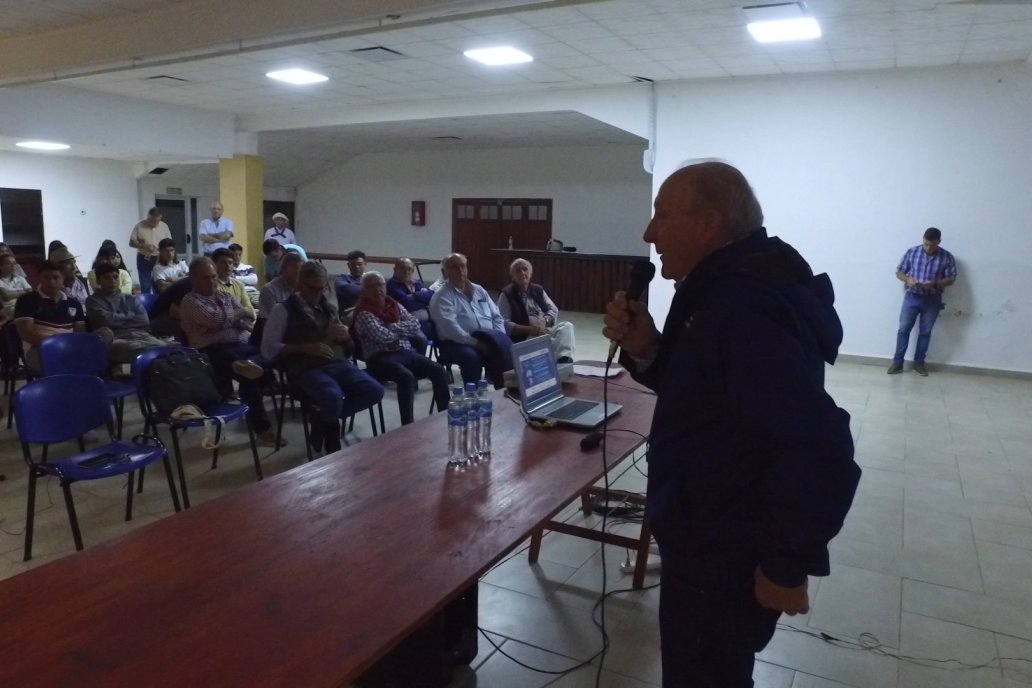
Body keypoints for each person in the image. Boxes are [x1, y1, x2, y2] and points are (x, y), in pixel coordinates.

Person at [602, 161, 860, 687]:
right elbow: (708, 396)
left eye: (661, 215)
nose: (649, 233)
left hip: (721, 553)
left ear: (708, 223)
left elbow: (819, 445)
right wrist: (649, 350)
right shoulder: (721, 290)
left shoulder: (740, 307)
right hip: (709, 534)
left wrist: (786, 565)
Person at [261, 261, 383, 454]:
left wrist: (347, 337)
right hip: (304, 368)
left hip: (336, 362)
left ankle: (322, 418)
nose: (318, 294)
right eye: (313, 288)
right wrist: (305, 348)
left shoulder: (329, 308)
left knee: (374, 390)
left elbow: (349, 350)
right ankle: (332, 441)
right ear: (300, 284)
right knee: (332, 397)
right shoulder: (283, 310)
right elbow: (268, 348)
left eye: (322, 288)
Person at [179, 257, 280, 446]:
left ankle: (252, 368)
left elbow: (249, 314)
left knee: (268, 352)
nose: (211, 282)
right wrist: (234, 319)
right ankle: (262, 427)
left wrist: (232, 319)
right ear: (193, 280)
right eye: (205, 278)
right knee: (246, 374)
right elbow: (215, 320)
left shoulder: (224, 296)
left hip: (240, 345)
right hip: (209, 352)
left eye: (213, 277)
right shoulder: (190, 301)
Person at [354, 271, 449, 425]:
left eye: (381, 284)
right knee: (406, 377)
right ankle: (408, 425)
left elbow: (415, 324)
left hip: (405, 352)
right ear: (364, 291)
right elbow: (382, 336)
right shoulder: (363, 311)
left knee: (438, 369)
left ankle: (445, 417)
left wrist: (392, 327)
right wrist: (400, 329)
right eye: (372, 286)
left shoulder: (394, 305)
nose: (378, 289)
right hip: (379, 358)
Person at [428, 253, 513, 386]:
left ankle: (503, 391)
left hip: (488, 337)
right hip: (455, 343)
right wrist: (477, 344)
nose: (460, 270)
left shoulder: (479, 290)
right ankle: (472, 395)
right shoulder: (442, 297)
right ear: (444, 272)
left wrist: (498, 337)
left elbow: (496, 316)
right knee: (471, 358)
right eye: (454, 267)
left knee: (506, 350)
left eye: (463, 266)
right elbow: (451, 329)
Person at [888, 227, 957, 376]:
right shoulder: (912, 252)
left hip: (932, 299)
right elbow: (899, 272)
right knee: (903, 330)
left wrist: (936, 283)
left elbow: (951, 278)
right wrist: (908, 279)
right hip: (912, 297)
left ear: (939, 242)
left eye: (932, 244)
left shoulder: (947, 257)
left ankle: (919, 364)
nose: (928, 247)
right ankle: (897, 363)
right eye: (926, 243)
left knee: (925, 332)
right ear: (923, 239)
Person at [85, 263, 170, 363]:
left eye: (115, 277)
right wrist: (129, 316)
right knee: (141, 349)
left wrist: (116, 319)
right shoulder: (93, 300)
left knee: (164, 348)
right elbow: (105, 321)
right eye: (107, 278)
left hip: (141, 335)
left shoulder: (130, 298)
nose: (112, 281)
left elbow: (144, 321)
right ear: (99, 281)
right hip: (114, 338)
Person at [497, 258, 575, 363]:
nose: (522, 273)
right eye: (518, 270)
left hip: (543, 330)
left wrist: (545, 320)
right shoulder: (506, 294)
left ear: (531, 272)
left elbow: (553, 309)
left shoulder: (538, 289)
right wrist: (529, 329)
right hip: (524, 337)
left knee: (567, 326)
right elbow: (503, 323)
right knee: (552, 342)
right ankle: (558, 359)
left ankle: (564, 360)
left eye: (525, 269)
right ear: (512, 275)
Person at [13, 260, 87, 372]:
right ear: (39, 278)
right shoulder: (26, 301)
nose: (51, 282)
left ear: (62, 278)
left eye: (55, 277)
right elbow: (26, 333)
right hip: (38, 349)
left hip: (70, 348)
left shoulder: (74, 303)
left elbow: (80, 333)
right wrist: (58, 344)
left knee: (99, 339)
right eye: (46, 277)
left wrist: (70, 347)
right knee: (71, 362)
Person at [386, 257, 434, 341]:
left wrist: (414, 295)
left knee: (446, 334)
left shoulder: (416, 283)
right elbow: (407, 302)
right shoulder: (391, 285)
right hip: (407, 323)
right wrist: (421, 298)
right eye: (402, 268)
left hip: (427, 322)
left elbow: (431, 296)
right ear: (395, 270)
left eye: (409, 269)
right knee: (422, 340)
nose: (406, 272)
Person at [128, 207, 171, 293]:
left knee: (160, 283)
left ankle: (160, 303)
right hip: (144, 258)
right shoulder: (139, 225)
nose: (153, 223)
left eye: (156, 221)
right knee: (145, 285)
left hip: (160, 259)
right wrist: (144, 246)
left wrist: (162, 249)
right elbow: (131, 243)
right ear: (148, 216)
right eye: (150, 220)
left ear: (160, 218)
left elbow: (169, 243)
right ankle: (146, 304)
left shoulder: (164, 226)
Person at [258, 250, 304, 320]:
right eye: (295, 267)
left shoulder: (304, 289)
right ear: (283, 269)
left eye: (301, 268)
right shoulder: (270, 290)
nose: (298, 271)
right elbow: (268, 323)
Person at [212, 248, 256, 318]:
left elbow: (249, 308)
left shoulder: (239, 284)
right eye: (223, 263)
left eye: (230, 263)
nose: (228, 266)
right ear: (214, 265)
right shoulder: (212, 286)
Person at [0, 252, 32, 322]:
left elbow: (30, 293)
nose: (13, 266)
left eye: (14, 263)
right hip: (8, 310)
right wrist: (23, 291)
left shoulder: (20, 278)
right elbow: (6, 296)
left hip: (24, 308)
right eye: (9, 263)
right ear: (1, 266)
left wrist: (12, 293)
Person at [228, 243, 260, 308]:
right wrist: (246, 279)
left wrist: (235, 277)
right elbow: (229, 281)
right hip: (237, 294)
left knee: (263, 305)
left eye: (239, 255)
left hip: (251, 292)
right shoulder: (228, 268)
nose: (237, 257)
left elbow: (254, 280)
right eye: (234, 255)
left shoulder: (248, 267)